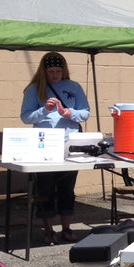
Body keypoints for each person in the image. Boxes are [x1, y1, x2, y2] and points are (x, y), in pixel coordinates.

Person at [20, 52, 90, 244]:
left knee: (67, 188)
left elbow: (85, 113)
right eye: (51, 71)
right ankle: (49, 230)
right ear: (44, 71)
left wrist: (71, 113)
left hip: (70, 143)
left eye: (59, 71)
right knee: (46, 189)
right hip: (45, 144)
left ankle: (66, 228)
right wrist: (45, 110)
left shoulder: (74, 87)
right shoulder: (35, 89)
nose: (55, 75)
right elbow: (26, 117)